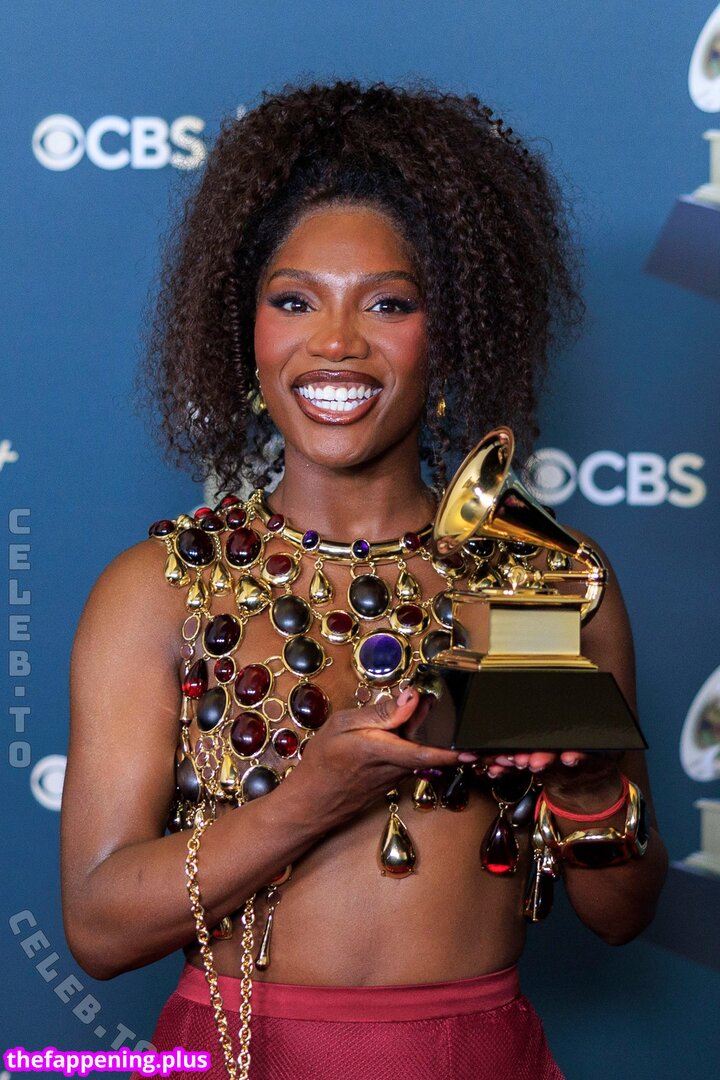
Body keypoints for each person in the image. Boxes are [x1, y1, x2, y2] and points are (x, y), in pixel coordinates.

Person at [61, 81, 668, 1080]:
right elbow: (97, 926)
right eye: (294, 301)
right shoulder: (161, 590)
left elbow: (621, 916)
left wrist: (593, 792)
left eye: (389, 303)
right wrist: (310, 800)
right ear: (246, 331)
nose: (336, 342)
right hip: (244, 1054)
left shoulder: (544, 582)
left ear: (452, 329)